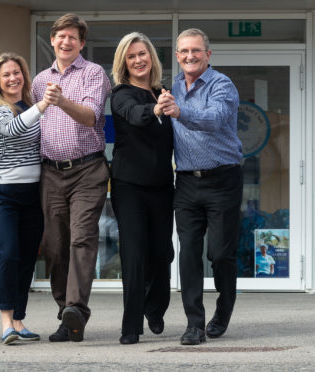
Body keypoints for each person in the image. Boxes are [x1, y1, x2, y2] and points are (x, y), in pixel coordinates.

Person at [159, 28, 243, 345]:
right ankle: (194, 324)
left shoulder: (222, 85)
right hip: (186, 183)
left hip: (223, 179)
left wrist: (179, 111)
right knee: (190, 254)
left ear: (208, 54)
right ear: (178, 56)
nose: (190, 56)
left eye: (196, 50)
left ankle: (223, 310)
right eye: (184, 51)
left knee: (220, 254)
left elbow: (213, 118)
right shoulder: (173, 87)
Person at [32, 13, 111, 342]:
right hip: (50, 172)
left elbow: (91, 116)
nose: (66, 42)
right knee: (54, 246)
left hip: (88, 169)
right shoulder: (38, 81)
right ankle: (67, 315)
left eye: (73, 38)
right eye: (61, 36)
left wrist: (61, 99)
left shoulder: (93, 73)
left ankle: (76, 308)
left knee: (81, 237)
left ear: (81, 43)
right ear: (52, 39)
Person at [110, 32, 175, 345]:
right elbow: (135, 117)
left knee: (162, 254)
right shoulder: (121, 94)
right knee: (134, 255)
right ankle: (131, 326)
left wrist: (163, 105)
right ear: (124, 62)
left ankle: (155, 307)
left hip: (163, 186)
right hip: (130, 186)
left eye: (142, 54)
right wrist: (156, 111)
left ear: (152, 58)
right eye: (131, 56)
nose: (138, 60)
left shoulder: (163, 92)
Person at [0, 52, 48, 345]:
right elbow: (13, 128)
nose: (12, 78)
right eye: (6, 74)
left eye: (17, 72)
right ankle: (6, 322)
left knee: (25, 260)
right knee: (7, 253)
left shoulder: (30, 105)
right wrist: (45, 105)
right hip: (0, 194)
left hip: (32, 193)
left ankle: (19, 320)